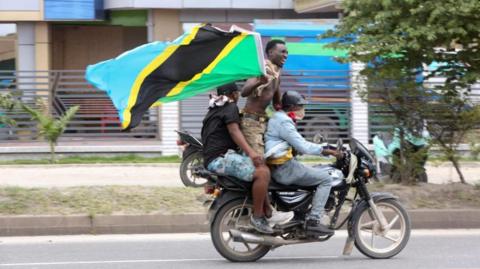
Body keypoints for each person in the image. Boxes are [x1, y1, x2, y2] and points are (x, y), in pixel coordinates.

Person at [201, 83, 290, 234]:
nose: (238, 96)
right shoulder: (230, 108)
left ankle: (269, 211)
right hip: (219, 159)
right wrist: (251, 153)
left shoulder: (214, 109)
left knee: (260, 169)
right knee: (263, 172)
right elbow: (234, 131)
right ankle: (258, 217)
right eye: (236, 93)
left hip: (216, 157)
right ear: (233, 94)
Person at [264, 91, 343, 235]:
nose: (302, 109)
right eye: (300, 106)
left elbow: (296, 143)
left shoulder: (278, 117)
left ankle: (302, 212)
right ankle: (314, 221)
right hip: (284, 168)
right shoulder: (284, 121)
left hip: (280, 165)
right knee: (326, 179)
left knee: (314, 171)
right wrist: (327, 151)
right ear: (293, 107)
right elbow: (303, 147)